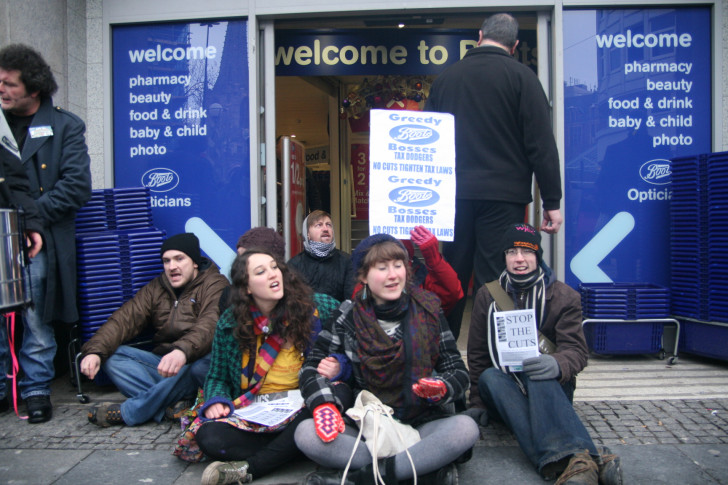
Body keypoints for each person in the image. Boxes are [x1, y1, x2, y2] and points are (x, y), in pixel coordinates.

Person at [295, 234, 479, 485]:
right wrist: (323, 404)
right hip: (366, 423)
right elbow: (311, 367)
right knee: (306, 434)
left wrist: (443, 387)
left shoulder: (428, 308)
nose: (393, 275)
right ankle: (423, 471)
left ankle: (361, 477)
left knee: (465, 429)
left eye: (398, 265)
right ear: (363, 276)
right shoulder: (347, 314)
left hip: (421, 422)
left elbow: (456, 369)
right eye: (382, 268)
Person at [425, 13, 563, 340]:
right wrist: (552, 201)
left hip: (453, 197)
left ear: (479, 35)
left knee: (451, 275)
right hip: (504, 197)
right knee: (496, 278)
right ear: (514, 45)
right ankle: (497, 356)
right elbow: (541, 145)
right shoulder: (523, 78)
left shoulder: (446, 79)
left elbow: (426, 142)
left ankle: (441, 355)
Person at [467, 223, 622, 485]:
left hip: (550, 387)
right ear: (503, 256)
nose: (519, 259)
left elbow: (577, 351)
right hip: (505, 385)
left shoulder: (564, 296)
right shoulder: (487, 295)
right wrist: (477, 402)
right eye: (512, 251)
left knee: (537, 371)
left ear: (538, 255)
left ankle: (571, 463)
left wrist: (557, 363)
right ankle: (591, 459)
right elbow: (479, 353)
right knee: (490, 376)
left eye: (526, 252)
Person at [177, 248, 337, 485]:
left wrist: (337, 366)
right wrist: (218, 400)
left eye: (275, 267)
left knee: (323, 410)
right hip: (256, 412)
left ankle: (258, 464)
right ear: (247, 288)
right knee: (209, 436)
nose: (273, 274)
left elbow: (353, 321)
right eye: (261, 272)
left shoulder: (314, 307)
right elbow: (217, 377)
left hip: (303, 407)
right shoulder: (230, 324)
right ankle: (292, 451)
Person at [0, 43, 92, 423]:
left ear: (34, 88)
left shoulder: (65, 125)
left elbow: (76, 187)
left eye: (9, 84)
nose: (1, 89)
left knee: (35, 316)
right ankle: (3, 385)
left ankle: (36, 387)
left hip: (40, 242)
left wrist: (28, 220)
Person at [79, 233, 229, 427]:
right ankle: (174, 404)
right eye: (166, 261)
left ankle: (131, 411)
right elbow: (123, 320)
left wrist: (182, 351)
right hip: (164, 366)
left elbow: (210, 325)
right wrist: (95, 352)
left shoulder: (215, 283)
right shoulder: (156, 288)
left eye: (179, 259)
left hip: (195, 364)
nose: (171, 267)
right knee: (113, 356)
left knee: (201, 363)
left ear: (194, 262)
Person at [0, 147, 44, 414]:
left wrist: (30, 225)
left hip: (5, 227)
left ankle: (35, 388)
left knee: (34, 318)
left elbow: (15, 183)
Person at [288, 210, 355, 303]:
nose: (325, 229)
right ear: (307, 234)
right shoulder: (294, 265)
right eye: (319, 225)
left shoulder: (346, 261)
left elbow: (350, 301)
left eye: (328, 225)